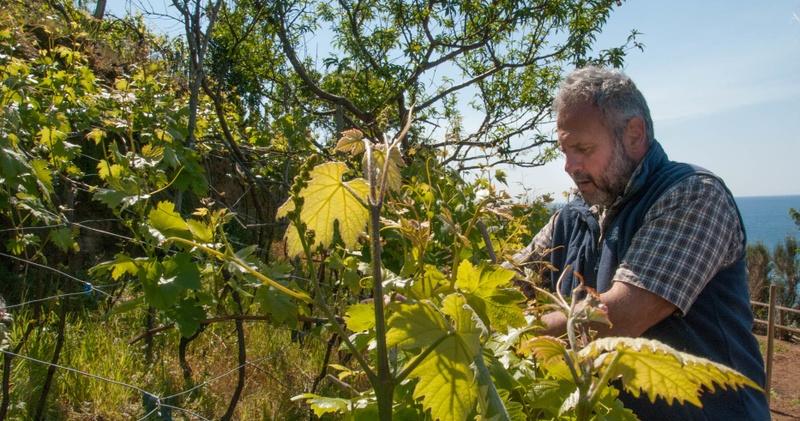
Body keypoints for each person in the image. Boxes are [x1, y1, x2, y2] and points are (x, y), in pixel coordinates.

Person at [505, 66, 770, 420]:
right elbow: (505, 284)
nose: (569, 165)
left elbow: (619, 318)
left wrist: (499, 335)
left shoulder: (694, 196)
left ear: (634, 135)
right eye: (565, 150)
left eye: (583, 148)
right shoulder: (572, 217)